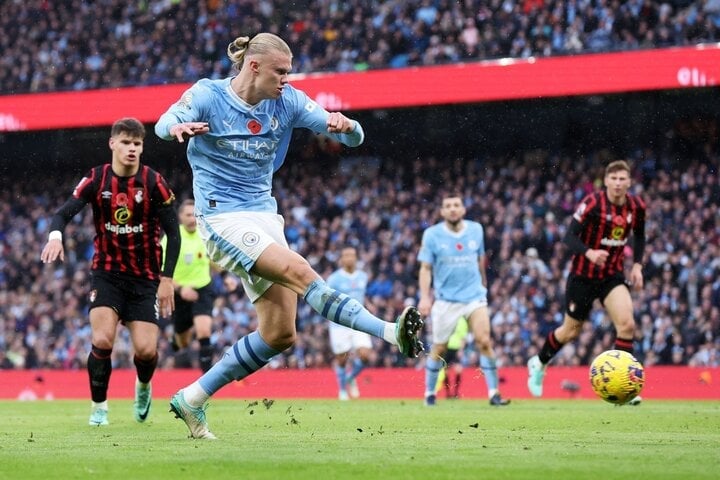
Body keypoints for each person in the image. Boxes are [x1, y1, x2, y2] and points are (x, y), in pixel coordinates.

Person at [154, 32, 423, 439]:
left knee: (280, 333)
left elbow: (356, 137)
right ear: (254, 66)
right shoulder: (208, 94)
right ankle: (389, 331)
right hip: (222, 218)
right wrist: (177, 127)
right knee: (300, 270)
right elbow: (161, 124)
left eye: (289, 72)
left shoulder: (289, 101)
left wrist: (346, 127)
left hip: (265, 217)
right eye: (281, 71)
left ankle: (192, 398)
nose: (287, 78)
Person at [40, 117, 180, 426]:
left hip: (145, 278)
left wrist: (167, 279)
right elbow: (62, 215)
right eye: (126, 142)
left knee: (145, 351)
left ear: (142, 147)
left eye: (137, 144)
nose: (132, 149)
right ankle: (99, 408)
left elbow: (175, 232)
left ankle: (143, 386)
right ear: (112, 144)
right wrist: (55, 237)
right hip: (106, 273)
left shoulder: (153, 182)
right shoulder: (96, 179)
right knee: (102, 340)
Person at [527, 160, 646, 405]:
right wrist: (589, 252)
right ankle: (539, 361)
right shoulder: (592, 203)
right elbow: (568, 237)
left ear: (629, 182)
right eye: (613, 179)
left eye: (623, 179)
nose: (618, 183)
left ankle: (623, 384)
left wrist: (637, 265)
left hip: (611, 277)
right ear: (606, 181)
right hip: (582, 276)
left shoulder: (637, 206)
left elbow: (640, 236)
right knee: (570, 331)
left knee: (626, 324)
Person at [417, 192, 510, 407]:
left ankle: (494, 393)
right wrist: (424, 297)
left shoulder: (476, 230)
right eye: (448, 206)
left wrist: (484, 285)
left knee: (484, 341)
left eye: (456, 205)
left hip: (474, 297)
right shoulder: (432, 235)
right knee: (439, 348)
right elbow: (425, 268)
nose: (452, 209)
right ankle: (429, 393)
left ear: (463, 209)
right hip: (445, 300)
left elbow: (480, 260)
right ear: (442, 212)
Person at [162, 198, 224, 373]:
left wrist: (226, 276)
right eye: (188, 215)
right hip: (179, 292)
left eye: (195, 214)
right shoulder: (171, 238)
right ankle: (177, 339)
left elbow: (214, 261)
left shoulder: (205, 235)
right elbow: (161, 272)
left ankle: (207, 380)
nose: (192, 219)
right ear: (180, 216)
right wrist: (181, 289)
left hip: (203, 288)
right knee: (182, 341)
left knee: (204, 331)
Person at [326, 246, 374, 401]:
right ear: (341, 259)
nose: (350, 258)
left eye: (352, 255)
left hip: (359, 322)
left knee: (365, 354)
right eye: (346, 255)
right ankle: (342, 391)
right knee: (342, 358)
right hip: (340, 324)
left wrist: (368, 304)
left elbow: (360, 296)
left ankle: (349, 378)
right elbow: (327, 300)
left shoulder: (363, 276)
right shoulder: (334, 279)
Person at [436, 315, 468, 399]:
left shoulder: (462, 321)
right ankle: (448, 393)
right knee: (445, 372)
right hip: (446, 348)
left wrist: (461, 349)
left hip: (456, 349)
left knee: (458, 370)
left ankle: (456, 392)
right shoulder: (446, 318)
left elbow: (463, 337)